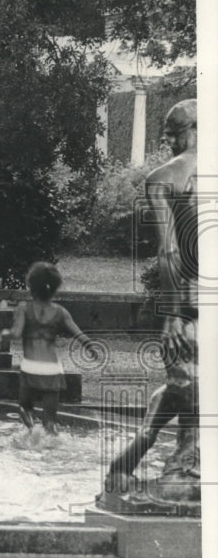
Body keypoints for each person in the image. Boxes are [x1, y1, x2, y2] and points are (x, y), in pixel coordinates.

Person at [104, 99, 199, 503]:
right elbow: (169, 252)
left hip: (192, 304)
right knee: (190, 388)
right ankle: (182, 469)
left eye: (172, 131)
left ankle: (179, 468)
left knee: (187, 390)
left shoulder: (165, 177)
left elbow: (170, 252)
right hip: (191, 304)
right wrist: (174, 314)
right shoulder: (166, 177)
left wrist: (172, 314)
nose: (167, 138)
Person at [0, 262, 96, 435]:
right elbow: (80, 335)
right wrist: (91, 347)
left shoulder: (24, 308)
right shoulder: (61, 312)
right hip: (52, 370)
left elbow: (16, 333)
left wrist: (3, 334)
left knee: (25, 408)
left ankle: (31, 435)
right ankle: (51, 445)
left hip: (30, 367)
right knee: (50, 421)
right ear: (54, 288)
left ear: (30, 286)